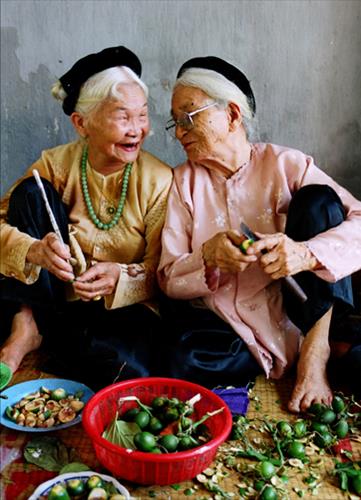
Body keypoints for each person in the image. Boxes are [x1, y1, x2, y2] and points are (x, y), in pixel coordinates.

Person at [157, 56, 361, 412]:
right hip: (233, 334)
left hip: (304, 316)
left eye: (188, 117)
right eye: (174, 122)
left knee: (319, 201)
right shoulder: (182, 184)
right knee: (179, 359)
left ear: (232, 115)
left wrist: (305, 253)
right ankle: (305, 358)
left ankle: (316, 352)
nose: (178, 132)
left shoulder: (287, 165)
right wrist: (207, 256)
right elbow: (168, 278)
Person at [0, 46, 173, 390]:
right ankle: (27, 323)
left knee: (131, 368)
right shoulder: (55, 164)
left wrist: (120, 278)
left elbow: (164, 272)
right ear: (81, 123)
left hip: (117, 311)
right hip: (48, 299)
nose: (138, 129)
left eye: (142, 115)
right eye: (123, 117)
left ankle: (51, 340)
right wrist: (34, 250)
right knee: (31, 194)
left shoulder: (158, 180)